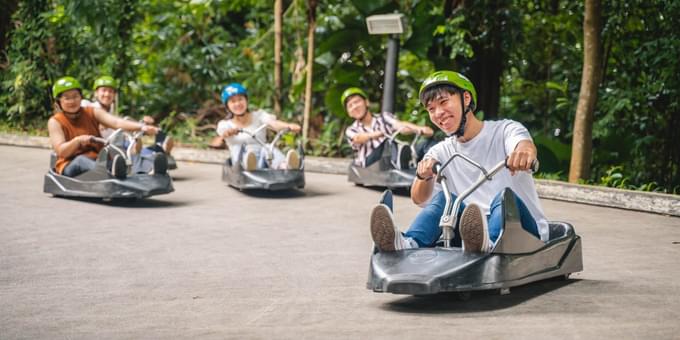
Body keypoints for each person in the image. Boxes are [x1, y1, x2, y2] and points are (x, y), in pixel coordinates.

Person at [369, 71, 549, 253]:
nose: (438, 113)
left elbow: (523, 144)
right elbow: (419, 198)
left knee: (503, 198)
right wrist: (423, 176)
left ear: (466, 98)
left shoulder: (504, 130)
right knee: (444, 200)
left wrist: (523, 153)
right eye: (431, 109)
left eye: (443, 102)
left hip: (524, 232)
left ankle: (492, 244)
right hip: (471, 234)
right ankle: (408, 243)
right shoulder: (440, 151)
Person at [47, 76, 166, 178]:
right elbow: (61, 151)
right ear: (58, 102)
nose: (72, 101)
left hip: (97, 159)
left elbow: (116, 122)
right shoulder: (55, 121)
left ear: (81, 97)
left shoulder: (91, 111)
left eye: (75, 96)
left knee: (122, 155)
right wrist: (77, 141)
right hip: (70, 164)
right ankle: (113, 174)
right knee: (81, 161)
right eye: (67, 98)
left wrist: (142, 127)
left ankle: (148, 169)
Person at [216, 83, 302, 171]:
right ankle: (248, 166)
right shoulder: (225, 125)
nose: (238, 104)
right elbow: (218, 140)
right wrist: (228, 133)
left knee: (268, 147)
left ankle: (286, 166)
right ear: (228, 106)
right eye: (233, 101)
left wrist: (288, 126)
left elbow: (274, 123)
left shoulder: (259, 115)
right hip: (240, 163)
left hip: (262, 160)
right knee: (238, 149)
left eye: (240, 99)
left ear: (246, 101)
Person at [341, 87, 434, 168]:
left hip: (390, 155)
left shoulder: (384, 118)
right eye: (350, 106)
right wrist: (379, 134)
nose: (354, 107)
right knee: (387, 143)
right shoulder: (351, 129)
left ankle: (433, 168)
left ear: (366, 102)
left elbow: (399, 125)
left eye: (357, 102)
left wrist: (418, 129)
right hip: (369, 163)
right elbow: (358, 138)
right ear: (349, 113)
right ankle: (399, 161)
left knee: (425, 144)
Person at [81, 75, 174, 155]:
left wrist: (142, 124)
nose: (107, 94)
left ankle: (161, 148)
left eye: (110, 91)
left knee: (144, 145)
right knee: (131, 146)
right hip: (102, 148)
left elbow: (119, 122)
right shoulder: (88, 106)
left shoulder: (112, 112)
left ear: (114, 95)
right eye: (104, 90)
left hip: (118, 143)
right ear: (96, 93)